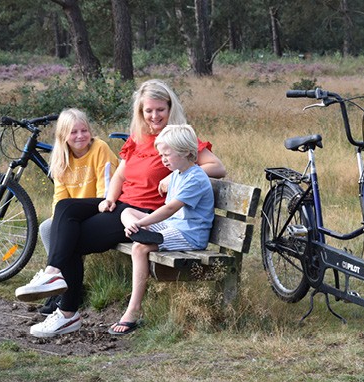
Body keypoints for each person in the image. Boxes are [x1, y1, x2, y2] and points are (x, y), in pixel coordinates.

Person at [14, 79, 226, 338]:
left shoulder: (178, 140)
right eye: (148, 110)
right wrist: (110, 198)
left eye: (160, 109)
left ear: (170, 108)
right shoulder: (138, 139)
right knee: (66, 207)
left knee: (72, 239)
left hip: (145, 213)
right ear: (141, 112)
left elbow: (217, 168)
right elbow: (120, 176)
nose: (154, 115)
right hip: (122, 205)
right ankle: (52, 275)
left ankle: (68, 313)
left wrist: (173, 177)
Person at [108, 124, 214, 335]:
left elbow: (170, 209)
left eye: (167, 154)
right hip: (174, 226)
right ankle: (142, 232)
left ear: (185, 152)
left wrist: (142, 224)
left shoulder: (195, 178)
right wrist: (136, 221)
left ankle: (134, 309)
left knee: (139, 248)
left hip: (189, 235)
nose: (163, 159)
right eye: (161, 154)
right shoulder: (177, 174)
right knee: (126, 212)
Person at [37, 108, 119, 316]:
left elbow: (107, 191)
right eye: (73, 132)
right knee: (47, 227)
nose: (80, 136)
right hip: (74, 214)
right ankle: (62, 286)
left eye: (84, 130)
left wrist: (70, 221)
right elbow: (59, 198)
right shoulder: (61, 159)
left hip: (104, 206)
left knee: (65, 212)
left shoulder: (100, 149)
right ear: (63, 136)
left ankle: (56, 281)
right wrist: (62, 225)